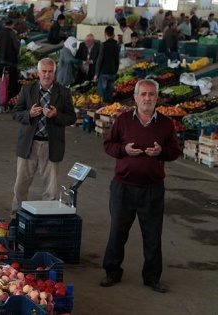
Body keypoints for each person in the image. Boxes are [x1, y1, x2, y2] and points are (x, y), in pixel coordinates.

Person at [100, 79, 181, 293]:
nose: (147, 98)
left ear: (157, 98)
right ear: (135, 97)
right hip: (123, 187)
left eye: (151, 94)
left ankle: (152, 277)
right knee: (117, 232)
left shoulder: (165, 123)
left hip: (152, 189)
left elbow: (175, 151)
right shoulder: (123, 120)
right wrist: (124, 150)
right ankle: (112, 272)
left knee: (153, 235)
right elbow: (108, 145)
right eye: (143, 94)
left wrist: (161, 152)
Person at [10, 58, 77, 220]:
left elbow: (71, 118)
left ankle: (46, 220)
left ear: (55, 73)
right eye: (44, 71)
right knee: (21, 186)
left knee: (51, 189)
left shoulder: (64, 92)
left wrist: (56, 115)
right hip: (29, 145)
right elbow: (15, 113)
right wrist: (29, 114)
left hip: (51, 145)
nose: (47, 75)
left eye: (50, 71)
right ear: (38, 73)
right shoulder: (27, 90)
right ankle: (16, 218)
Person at [0, 19, 19, 107]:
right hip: (10, 61)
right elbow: (16, 47)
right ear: (11, 25)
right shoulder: (12, 34)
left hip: (0, 61)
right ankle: (10, 101)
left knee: (1, 80)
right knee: (11, 82)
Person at [94, 26, 120, 104]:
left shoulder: (104, 45)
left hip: (104, 72)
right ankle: (108, 110)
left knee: (101, 96)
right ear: (113, 34)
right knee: (109, 94)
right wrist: (115, 71)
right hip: (112, 72)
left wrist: (96, 74)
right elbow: (117, 60)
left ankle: (100, 111)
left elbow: (100, 60)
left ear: (105, 34)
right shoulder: (116, 45)